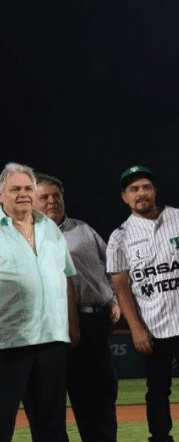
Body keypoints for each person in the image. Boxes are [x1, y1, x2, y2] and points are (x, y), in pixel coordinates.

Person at [106, 165, 179, 442]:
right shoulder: (119, 237)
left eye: (146, 187)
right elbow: (121, 287)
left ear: (155, 190)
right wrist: (135, 328)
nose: (141, 193)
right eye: (134, 189)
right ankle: (160, 438)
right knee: (157, 389)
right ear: (124, 197)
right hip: (152, 327)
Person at [35, 173, 121, 442]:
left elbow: (114, 268)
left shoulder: (83, 230)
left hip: (92, 320)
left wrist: (114, 298)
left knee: (98, 400)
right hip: (47, 327)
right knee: (48, 404)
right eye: (44, 197)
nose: (52, 201)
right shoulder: (22, 237)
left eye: (56, 196)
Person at [0, 162, 78, 442]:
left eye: (28, 188)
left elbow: (66, 276)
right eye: (15, 188)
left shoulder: (51, 230)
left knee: (52, 428)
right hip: (7, 344)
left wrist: (72, 326)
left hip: (51, 341)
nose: (23, 193)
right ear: (1, 195)